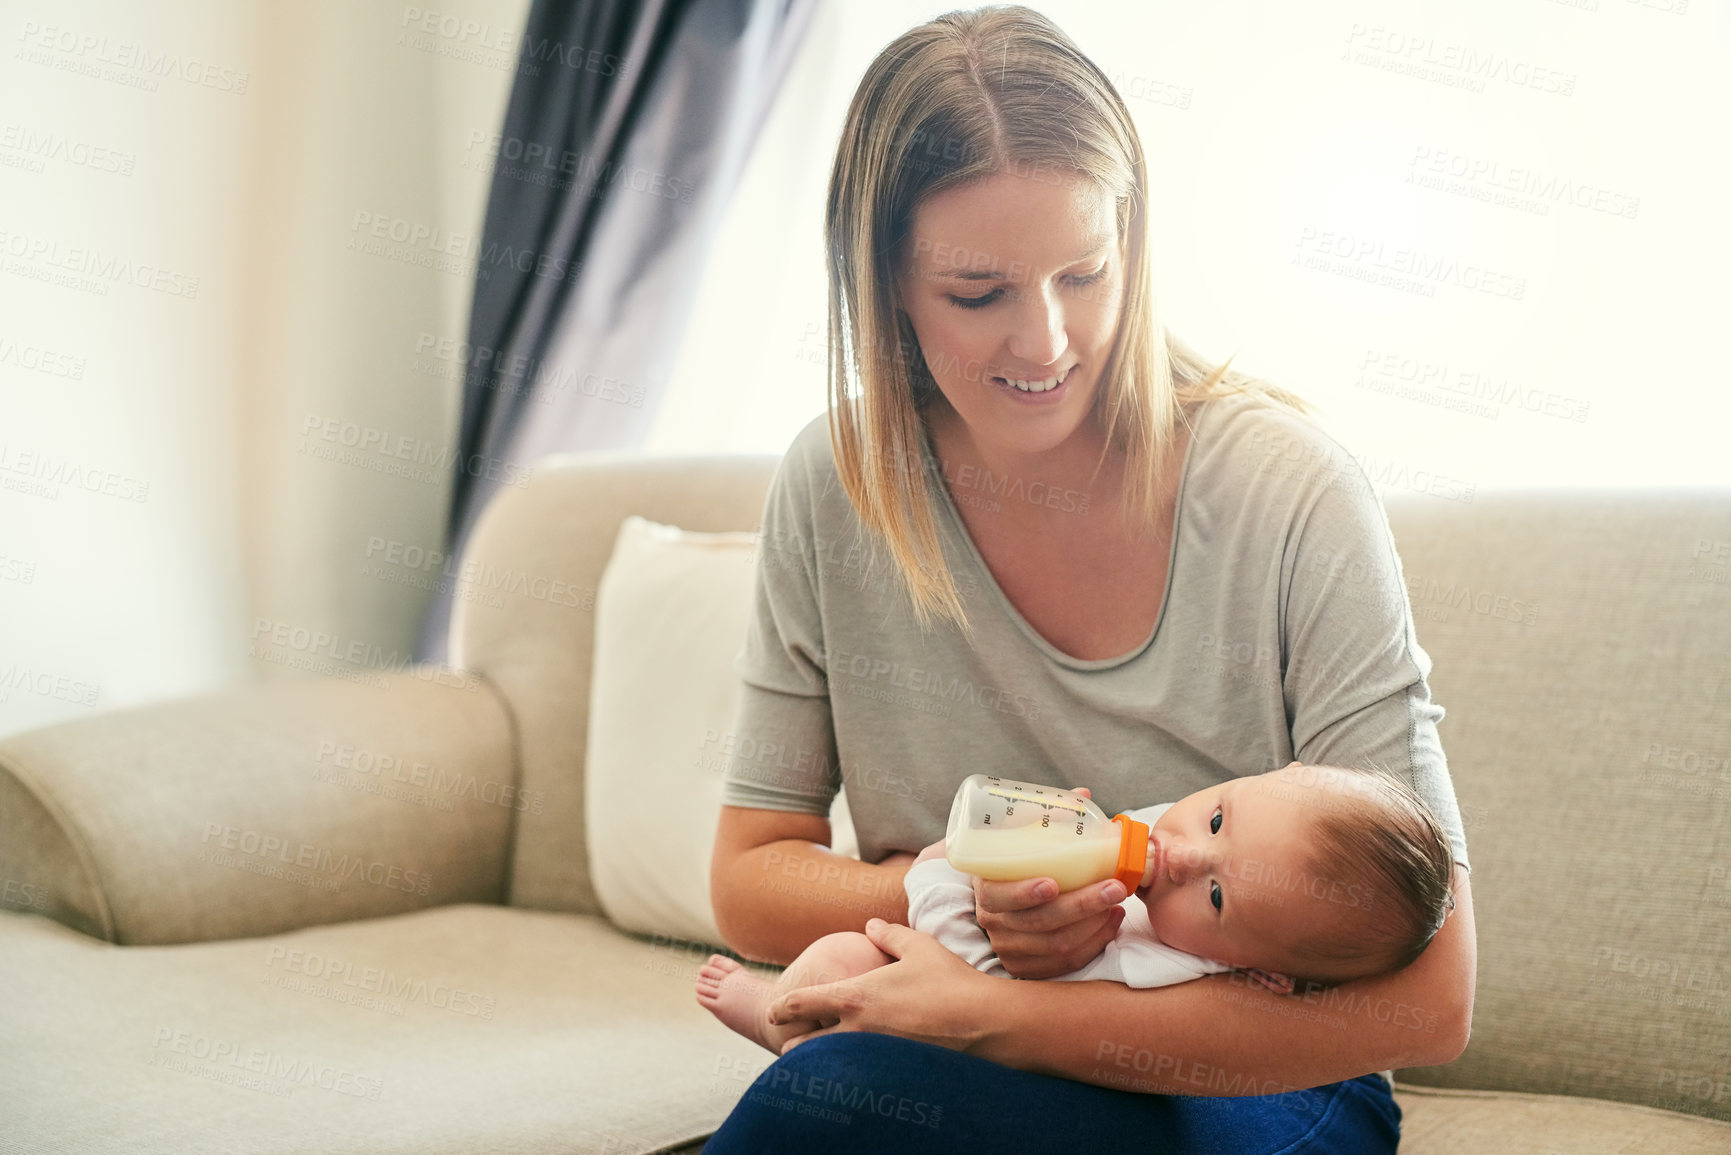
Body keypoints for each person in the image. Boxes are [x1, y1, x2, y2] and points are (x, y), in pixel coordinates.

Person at [703, 6, 1476, 1151]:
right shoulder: (839, 483)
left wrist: (997, 1015)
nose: (1049, 342)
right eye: (979, 294)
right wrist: (971, 891)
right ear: (887, 290)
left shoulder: (1291, 495)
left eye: (1086, 273)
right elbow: (751, 880)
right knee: (829, 1103)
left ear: (1135, 244)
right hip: (936, 1017)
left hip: (1252, 1069)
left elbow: (1432, 999)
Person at [698, 762, 1457, 1058]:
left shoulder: (1154, 969)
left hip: (984, 1031)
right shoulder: (1167, 853)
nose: (1185, 854)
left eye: (1217, 896)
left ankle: (777, 1018)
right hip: (934, 983)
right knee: (839, 958)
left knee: (841, 1018)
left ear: (1261, 973)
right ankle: (774, 1008)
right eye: (1218, 820)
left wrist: (939, 871)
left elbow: (976, 980)